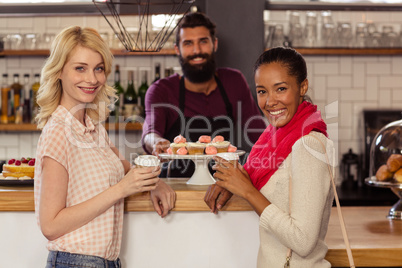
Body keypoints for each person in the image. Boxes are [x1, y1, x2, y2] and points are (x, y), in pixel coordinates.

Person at [34, 26, 176, 268]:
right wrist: (121, 189)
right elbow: (51, 225)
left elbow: (124, 168)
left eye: (98, 69)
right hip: (74, 263)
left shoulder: (92, 126)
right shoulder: (58, 132)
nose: (92, 79)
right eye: (80, 68)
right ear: (59, 71)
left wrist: (155, 183)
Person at [205, 47, 335, 267]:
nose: (270, 101)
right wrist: (233, 181)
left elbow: (303, 241)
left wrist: (246, 189)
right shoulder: (275, 139)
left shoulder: (308, 145)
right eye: (262, 91)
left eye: (280, 89)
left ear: (302, 87)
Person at [141, 12, 266, 177]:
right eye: (188, 43)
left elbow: (258, 134)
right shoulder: (162, 90)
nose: (196, 51)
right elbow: (150, 133)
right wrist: (156, 142)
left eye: (203, 41)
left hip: (221, 184)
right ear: (177, 49)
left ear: (214, 44)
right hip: (174, 187)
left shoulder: (233, 81)